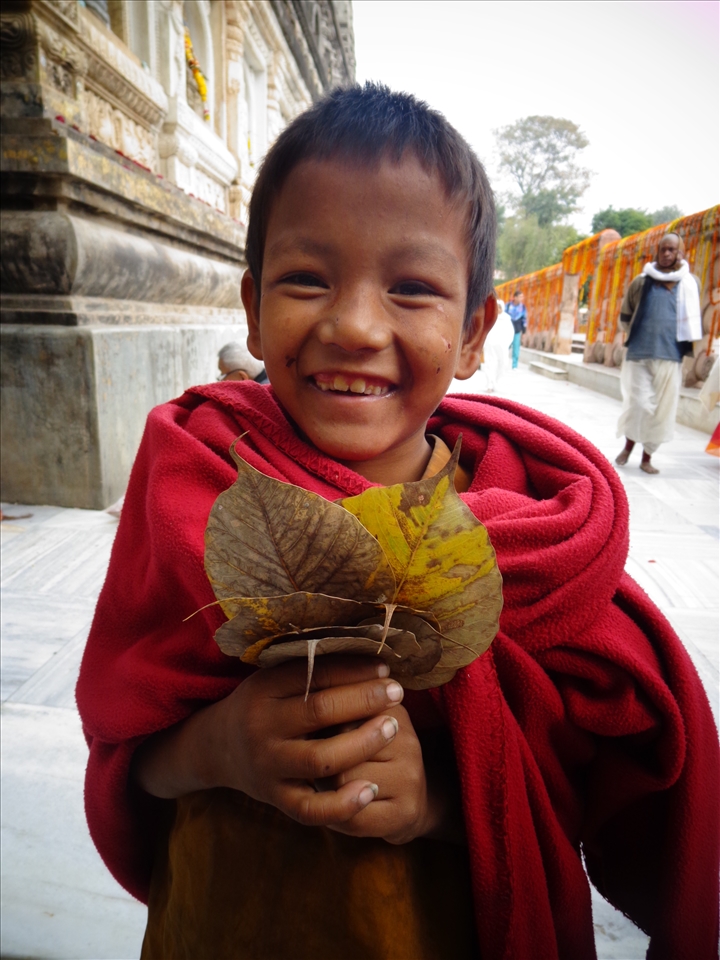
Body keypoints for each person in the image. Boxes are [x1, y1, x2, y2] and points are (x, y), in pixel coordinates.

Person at [76, 85, 719, 959]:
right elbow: (127, 732)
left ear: (474, 332)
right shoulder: (196, 476)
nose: (353, 325)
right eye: (307, 279)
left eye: (412, 289)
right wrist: (217, 746)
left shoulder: (535, 536)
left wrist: (441, 805)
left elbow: (568, 791)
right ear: (253, 309)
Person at [615, 233, 702, 473]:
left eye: (671, 250)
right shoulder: (642, 282)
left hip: (671, 356)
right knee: (640, 404)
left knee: (661, 411)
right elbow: (625, 317)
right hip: (639, 354)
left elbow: (694, 322)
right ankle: (628, 446)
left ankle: (647, 457)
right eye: (663, 249)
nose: (666, 254)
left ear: (680, 253)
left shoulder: (689, 284)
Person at [481, 298, 514, 391]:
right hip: (490, 345)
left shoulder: (507, 319)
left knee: (503, 364)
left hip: (502, 346)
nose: (498, 309)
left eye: (499, 307)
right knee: (490, 364)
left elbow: (510, 333)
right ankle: (490, 384)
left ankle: (496, 381)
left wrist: (506, 344)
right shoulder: (489, 318)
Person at [507, 290, 527, 368]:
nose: (521, 298)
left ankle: (514, 366)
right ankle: (504, 363)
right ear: (515, 297)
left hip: (517, 330)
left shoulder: (522, 307)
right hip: (508, 330)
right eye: (520, 296)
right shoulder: (508, 306)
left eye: (522, 297)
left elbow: (524, 320)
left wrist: (524, 332)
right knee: (506, 347)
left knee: (516, 348)